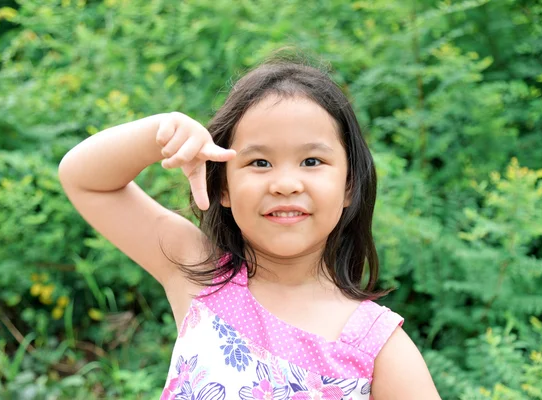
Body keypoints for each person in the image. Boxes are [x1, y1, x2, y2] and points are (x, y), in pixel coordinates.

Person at [58, 59, 441, 399]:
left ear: (349, 186)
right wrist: (160, 134)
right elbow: (85, 180)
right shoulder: (201, 277)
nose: (285, 184)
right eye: (259, 163)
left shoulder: (377, 347)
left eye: (311, 160)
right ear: (223, 186)